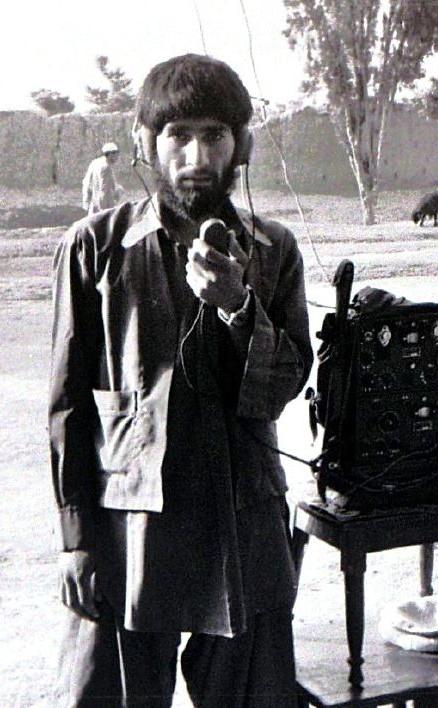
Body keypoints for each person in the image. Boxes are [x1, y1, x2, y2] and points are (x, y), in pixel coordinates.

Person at [49, 53, 313, 706]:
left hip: (241, 517)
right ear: (145, 144)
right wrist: (76, 543)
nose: (197, 154)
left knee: (254, 695)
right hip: (128, 524)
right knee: (108, 695)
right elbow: (66, 409)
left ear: (242, 145)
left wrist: (236, 306)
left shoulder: (273, 249)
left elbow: (282, 387)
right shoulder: (94, 248)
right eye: (178, 134)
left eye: (214, 135)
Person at [81, 142, 123, 214]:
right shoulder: (105, 168)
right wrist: (104, 211)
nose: (117, 156)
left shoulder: (95, 162)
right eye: (116, 153)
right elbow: (104, 191)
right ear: (110, 154)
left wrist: (86, 201)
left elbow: (86, 183)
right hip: (103, 207)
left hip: (93, 203)